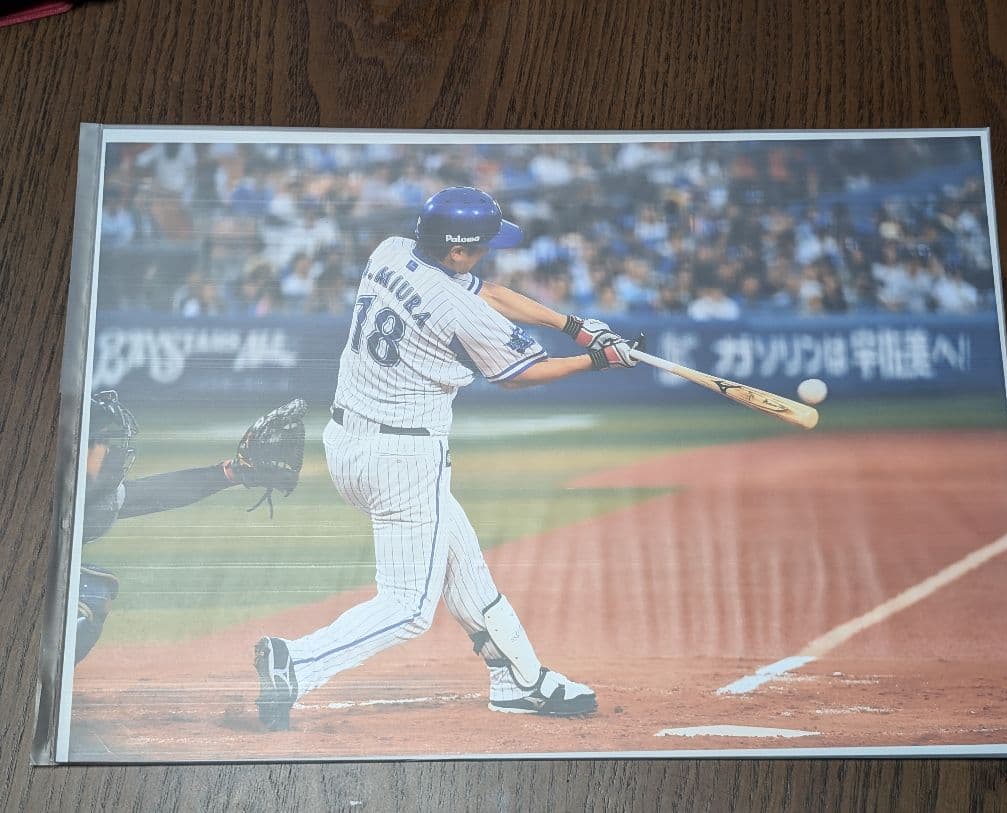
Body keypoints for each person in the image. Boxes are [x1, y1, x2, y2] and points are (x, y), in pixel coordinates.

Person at [254, 187, 639, 730]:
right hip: (404, 458)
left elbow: (491, 292)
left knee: (465, 568)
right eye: (480, 247)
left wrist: (574, 326)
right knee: (409, 607)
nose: (487, 254)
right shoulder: (459, 310)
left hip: (346, 444)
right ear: (456, 250)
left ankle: (519, 680)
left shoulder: (390, 251)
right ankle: (297, 662)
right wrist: (596, 361)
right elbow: (519, 374)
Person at [76, 391, 304, 663]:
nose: (112, 452)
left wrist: (230, 473)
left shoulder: (81, 489)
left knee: (91, 586)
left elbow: (149, 494)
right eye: (102, 443)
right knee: (90, 594)